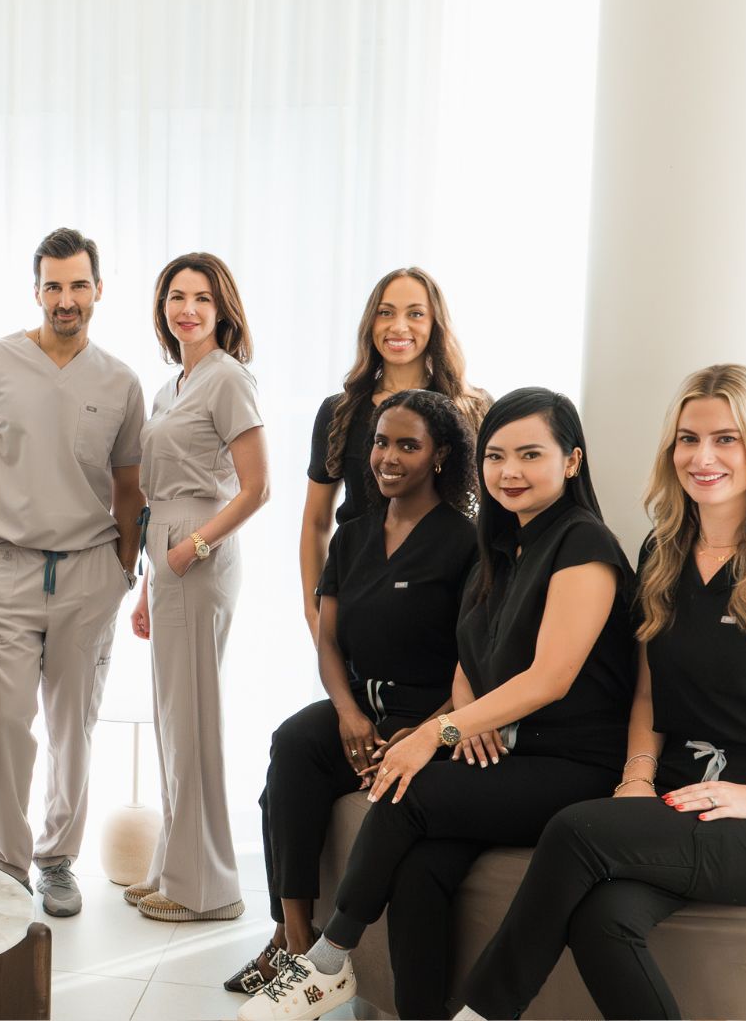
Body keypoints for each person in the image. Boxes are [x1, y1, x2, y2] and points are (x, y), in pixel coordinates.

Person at [453, 365, 746, 1020]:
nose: (703, 456)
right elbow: (647, 697)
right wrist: (636, 779)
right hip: (683, 797)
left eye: (726, 438)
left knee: (575, 829)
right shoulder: (663, 554)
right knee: (602, 918)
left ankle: (481, 1013)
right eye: (688, 439)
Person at [242, 388, 638, 1021]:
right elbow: (468, 653)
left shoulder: (583, 543)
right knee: (418, 871)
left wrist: (439, 733)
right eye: (498, 456)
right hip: (509, 752)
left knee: (411, 793)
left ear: (571, 461)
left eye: (530, 455)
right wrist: (463, 714)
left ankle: (328, 958)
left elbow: (551, 678)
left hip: (574, 764)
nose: (510, 471)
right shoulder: (506, 545)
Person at [227, 390, 478, 998]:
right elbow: (329, 641)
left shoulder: (465, 542)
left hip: (434, 720)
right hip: (359, 709)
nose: (387, 457)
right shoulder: (352, 535)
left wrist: (427, 730)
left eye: (407, 445)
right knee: (292, 744)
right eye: (380, 442)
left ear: (440, 455)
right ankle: (294, 945)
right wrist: (346, 713)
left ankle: (321, 955)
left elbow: (478, 659)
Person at [0, 226, 145, 916]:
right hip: (6, 572)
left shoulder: (120, 382)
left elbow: (129, 484)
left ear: (97, 290)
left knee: (73, 727)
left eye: (77, 285)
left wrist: (122, 566)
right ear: (36, 291)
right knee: (11, 724)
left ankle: (57, 859)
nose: (65, 298)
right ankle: (6, 862)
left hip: (89, 573)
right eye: (53, 286)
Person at [122, 252, 268, 922]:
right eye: (177, 296)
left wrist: (194, 548)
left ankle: (209, 889)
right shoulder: (171, 388)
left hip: (201, 559)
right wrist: (152, 580)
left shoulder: (228, 379)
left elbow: (258, 487)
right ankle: (175, 868)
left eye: (201, 298)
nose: (188, 308)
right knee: (174, 721)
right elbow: (155, 499)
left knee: (196, 718)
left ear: (222, 309)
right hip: (172, 560)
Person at [300, 268, 485, 648]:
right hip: (357, 592)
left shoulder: (471, 409)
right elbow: (317, 520)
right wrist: (312, 608)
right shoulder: (339, 412)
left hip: (442, 594)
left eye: (415, 313)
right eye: (386, 313)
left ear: (436, 324)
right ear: (370, 323)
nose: (399, 326)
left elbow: (487, 510)